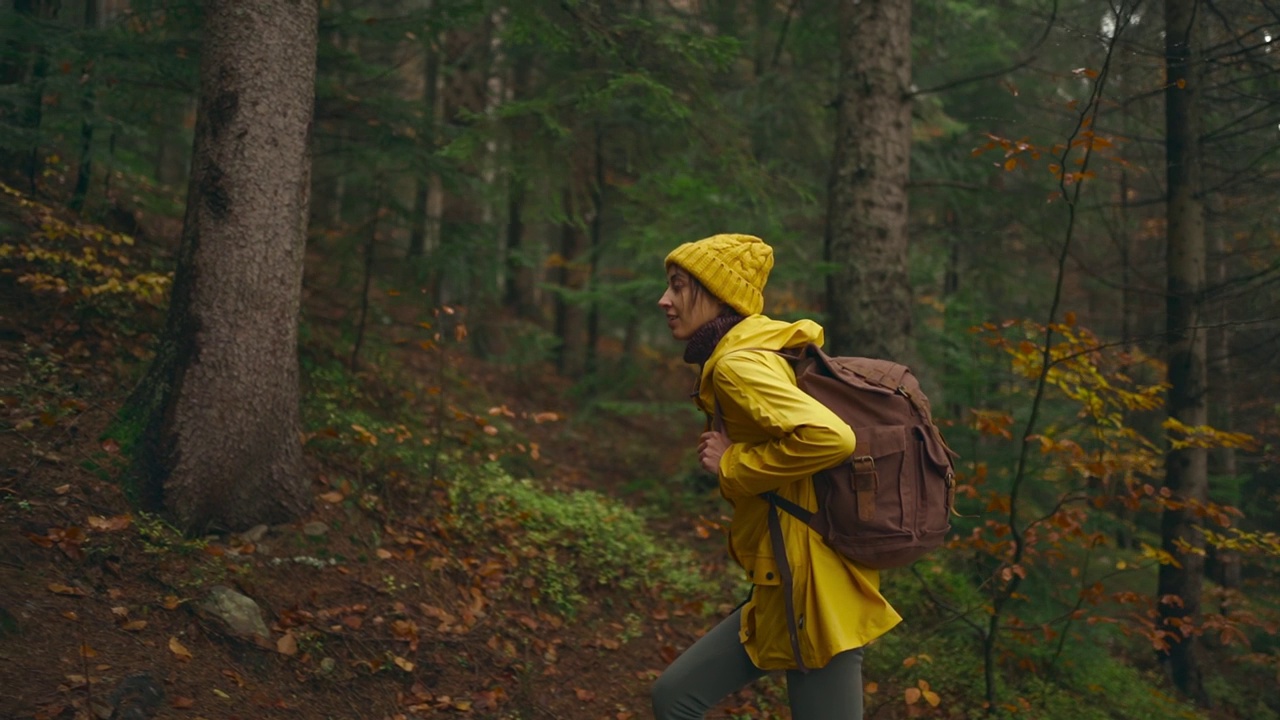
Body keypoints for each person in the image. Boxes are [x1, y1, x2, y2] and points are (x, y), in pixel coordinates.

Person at [651, 233, 901, 720]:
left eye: (678, 286)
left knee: (675, 699)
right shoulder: (752, 352)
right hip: (783, 579)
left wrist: (733, 463)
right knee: (674, 696)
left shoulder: (738, 364)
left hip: (812, 590)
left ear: (719, 295)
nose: (664, 300)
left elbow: (833, 438)